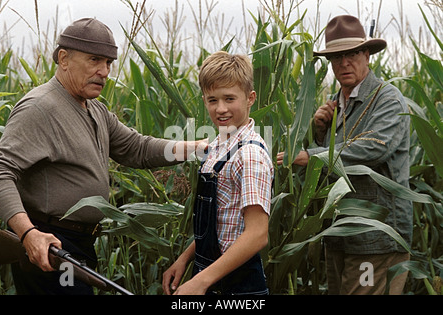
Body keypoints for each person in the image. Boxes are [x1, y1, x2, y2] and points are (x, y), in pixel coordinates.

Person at [0, 18, 205, 295]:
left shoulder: (95, 110)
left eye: (108, 63)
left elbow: (138, 149)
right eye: (95, 60)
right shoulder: (39, 108)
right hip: (50, 245)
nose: (104, 71)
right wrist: (28, 234)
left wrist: (202, 148)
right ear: (64, 58)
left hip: (79, 245)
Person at [277, 15, 412, 294]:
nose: (344, 63)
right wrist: (319, 132)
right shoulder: (336, 105)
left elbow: (374, 148)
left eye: (351, 54)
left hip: (375, 238)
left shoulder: (388, 99)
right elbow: (336, 163)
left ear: (366, 55)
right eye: (336, 57)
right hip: (339, 236)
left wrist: (311, 155)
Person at [162, 51, 274, 295]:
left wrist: (201, 281)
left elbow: (257, 234)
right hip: (209, 274)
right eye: (213, 100)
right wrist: (185, 259)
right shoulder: (216, 148)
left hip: (237, 286)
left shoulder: (250, 155)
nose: (221, 109)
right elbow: (221, 224)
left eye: (229, 98)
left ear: (250, 98)